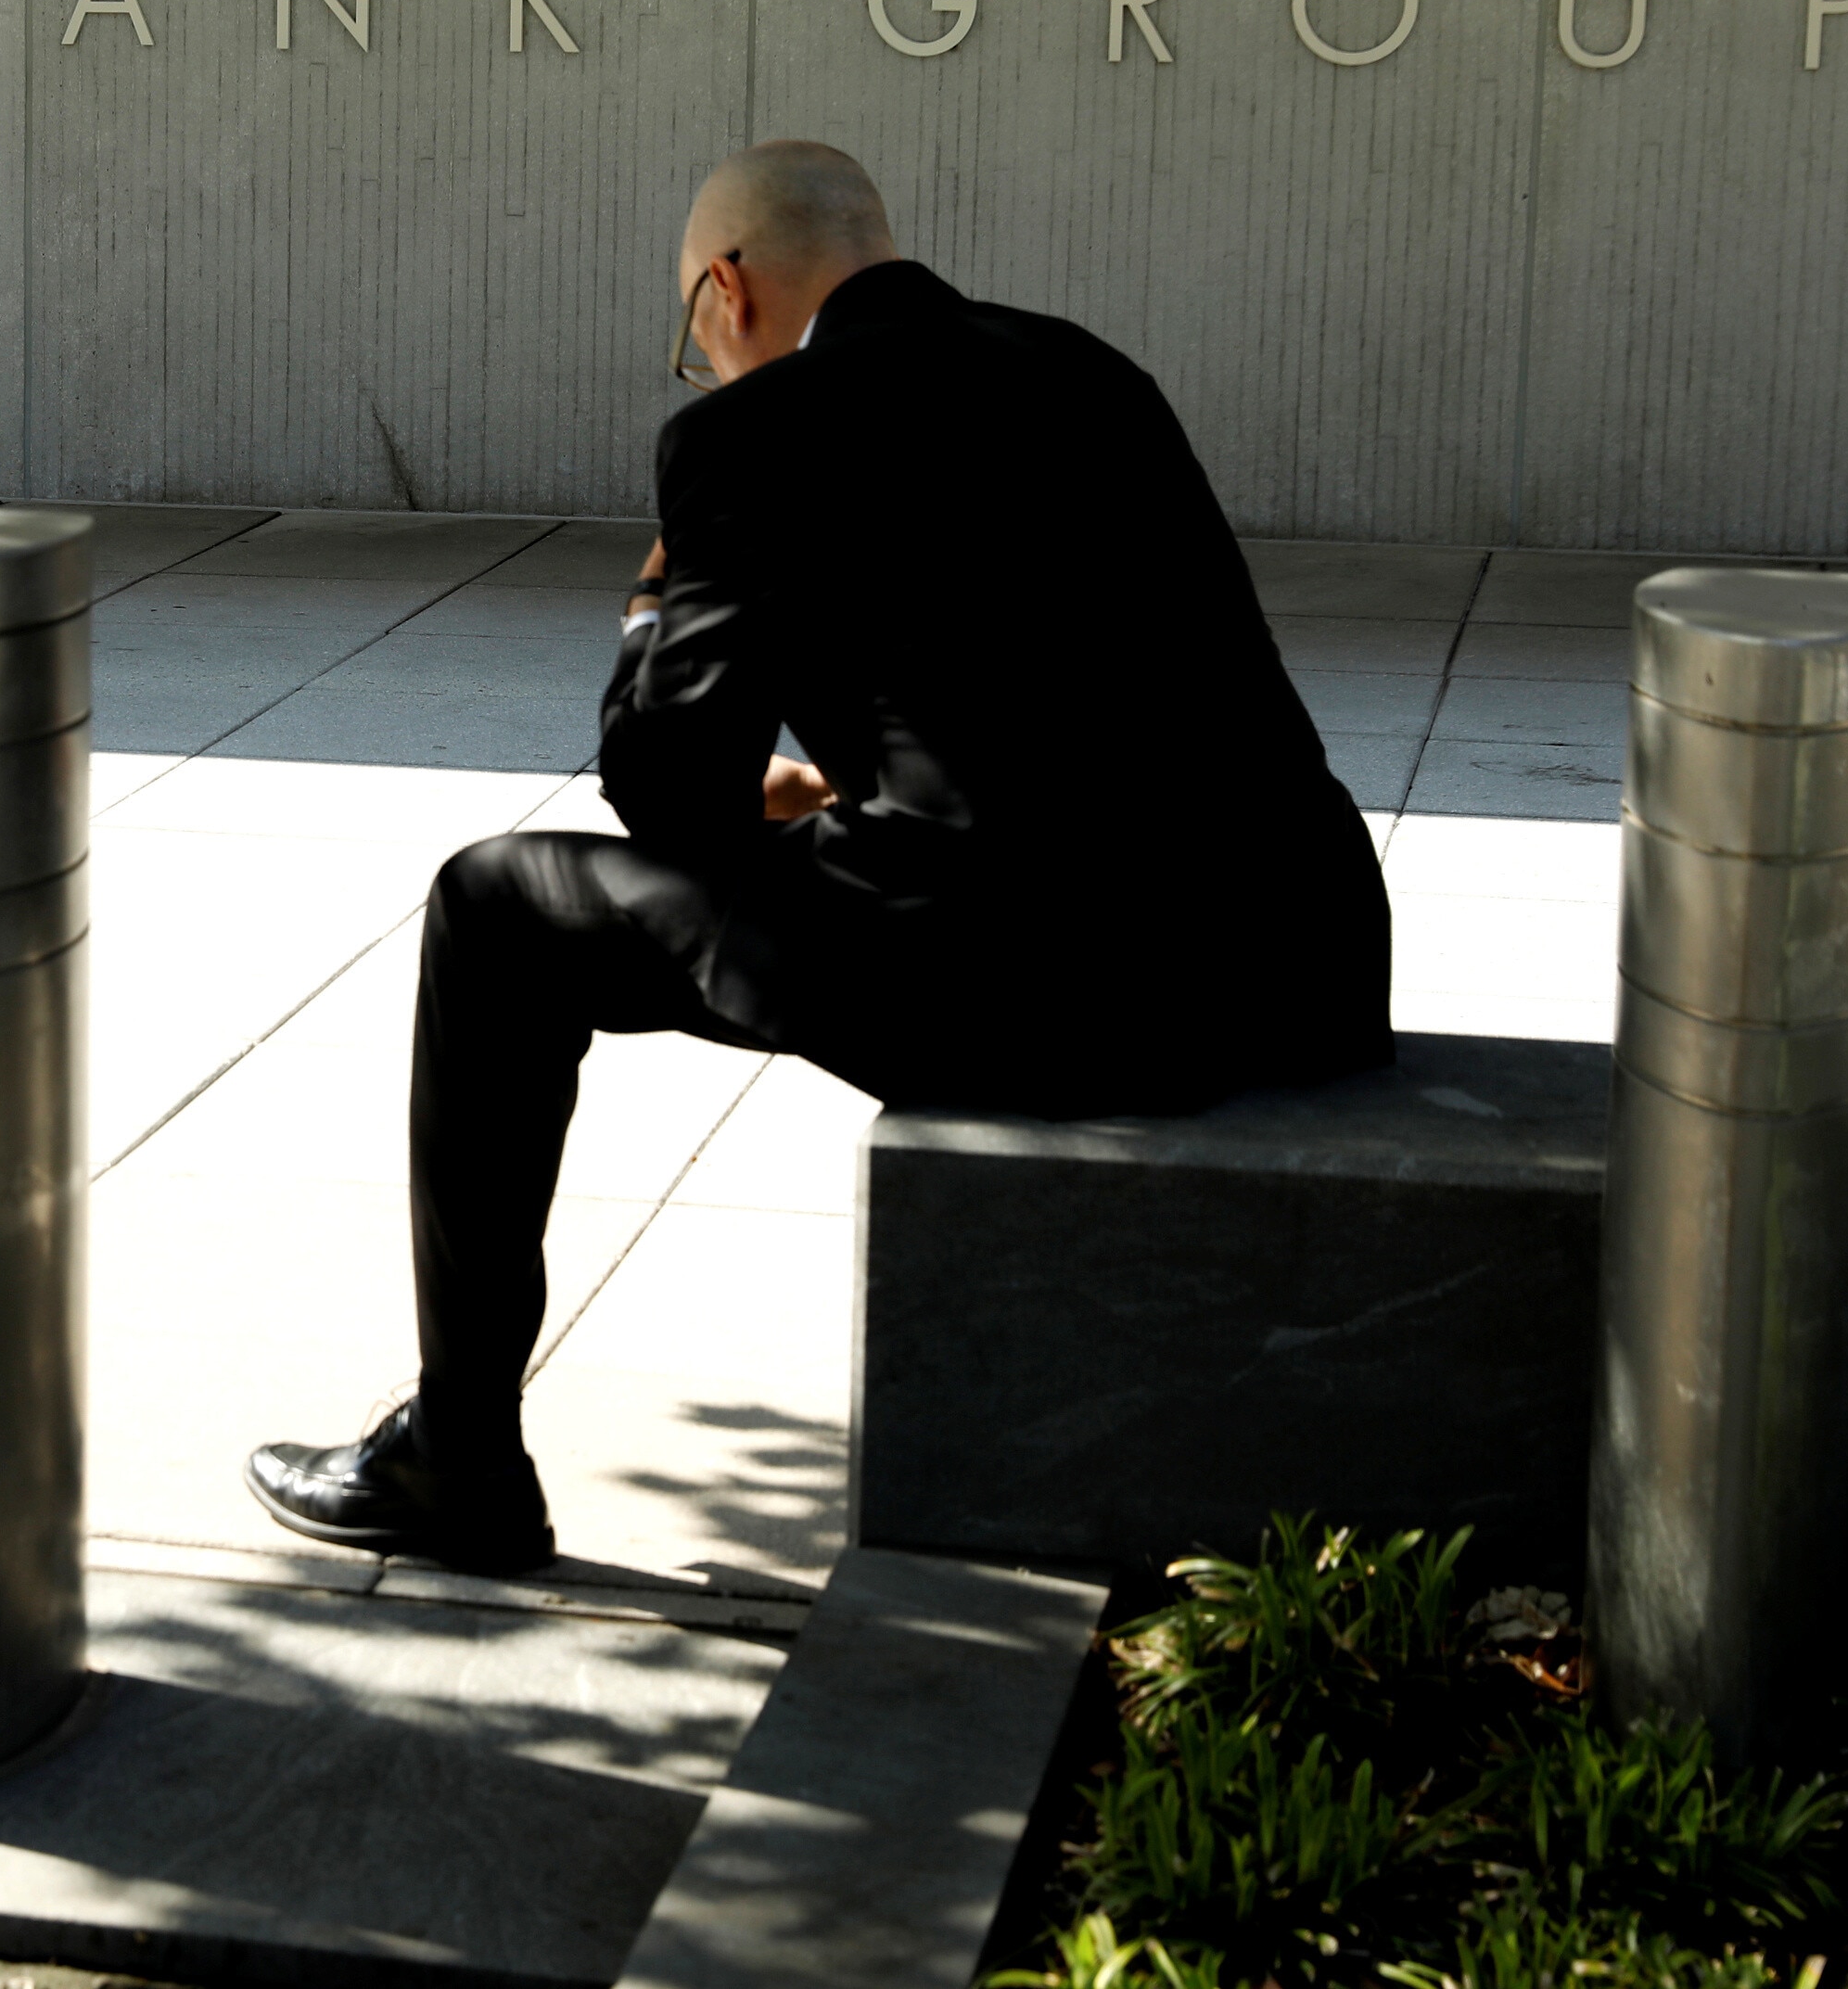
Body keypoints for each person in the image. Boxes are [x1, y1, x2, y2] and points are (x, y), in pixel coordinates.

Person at [244, 139, 1394, 1575]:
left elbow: (663, 790)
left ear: (724, 290)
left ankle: (457, 1456)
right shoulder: (1090, 370)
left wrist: (654, 590)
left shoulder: (753, 432)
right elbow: (1082, 694)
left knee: (492, 906)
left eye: (690, 332)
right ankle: (452, 1452)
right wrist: (845, 782)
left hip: (1044, 985)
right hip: (1297, 945)